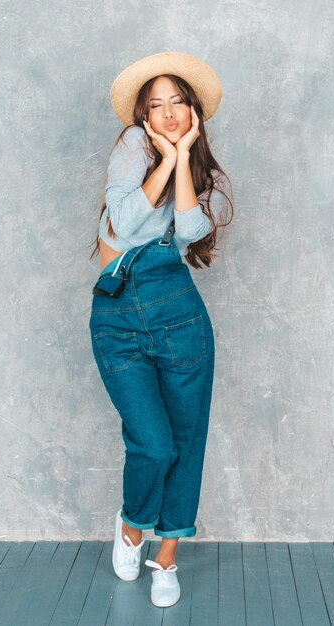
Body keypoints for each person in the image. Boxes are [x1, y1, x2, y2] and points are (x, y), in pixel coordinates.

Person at [87, 51, 234, 608]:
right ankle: (131, 524)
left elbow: (192, 230)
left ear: (193, 110)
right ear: (143, 115)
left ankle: (166, 556)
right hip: (118, 318)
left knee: (186, 440)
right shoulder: (132, 148)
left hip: (179, 317)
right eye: (157, 105)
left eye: (178, 103)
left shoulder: (206, 173)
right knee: (152, 442)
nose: (168, 112)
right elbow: (121, 224)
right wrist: (168, 159)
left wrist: (186, 158)